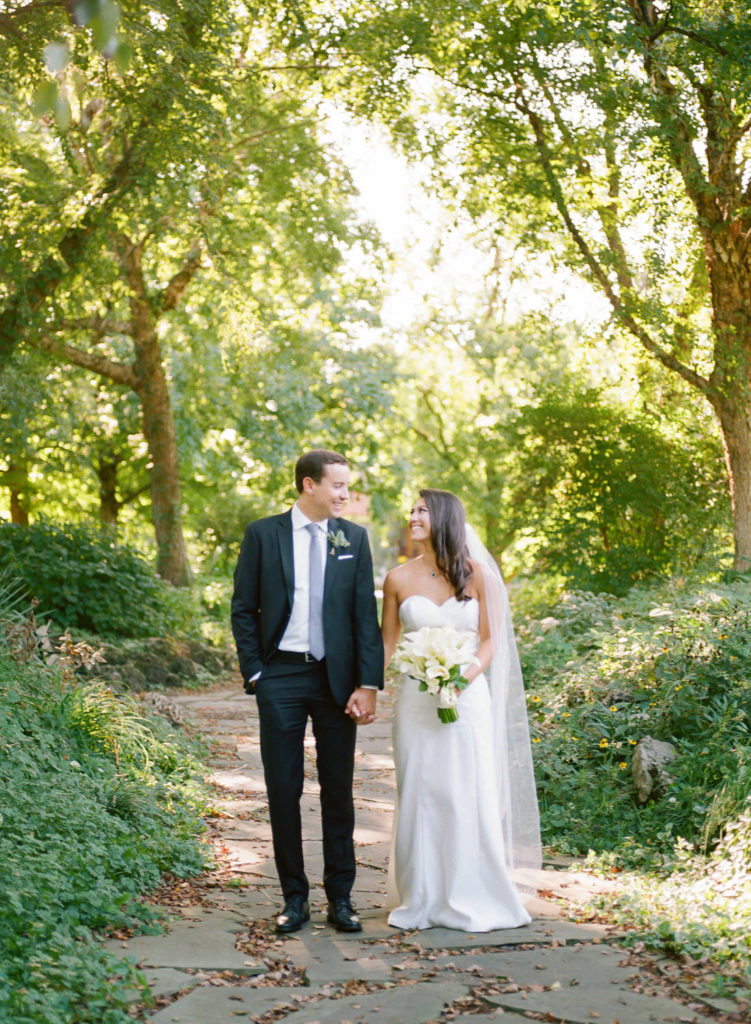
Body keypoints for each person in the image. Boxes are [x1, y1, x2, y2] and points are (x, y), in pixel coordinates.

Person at [231, 449, 384, 935]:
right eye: (337, 485)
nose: (345, 494)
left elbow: (365, 618)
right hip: (281, 677)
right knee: (283, 788)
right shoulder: (262, 534)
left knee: (337, 790)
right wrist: (256, 672)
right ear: (308, 485)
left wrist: (367, 683)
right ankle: (293, 898)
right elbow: (243, 609)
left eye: (346, 485)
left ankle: (341, 899)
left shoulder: (352, 537)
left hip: (336, 682)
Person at [381, 488, 541, 932]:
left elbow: (490, 641)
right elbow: (388, 644)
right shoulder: (397, 579)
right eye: (411, 510)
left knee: (464, 791)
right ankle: (421, 898)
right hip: (415, 699)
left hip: (465, 698)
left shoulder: (478, 576)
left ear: (445, 518)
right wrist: (365, 688)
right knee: (418, 789)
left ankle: (471, 891)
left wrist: (462, 677)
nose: (412, 516)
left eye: (421, 510)